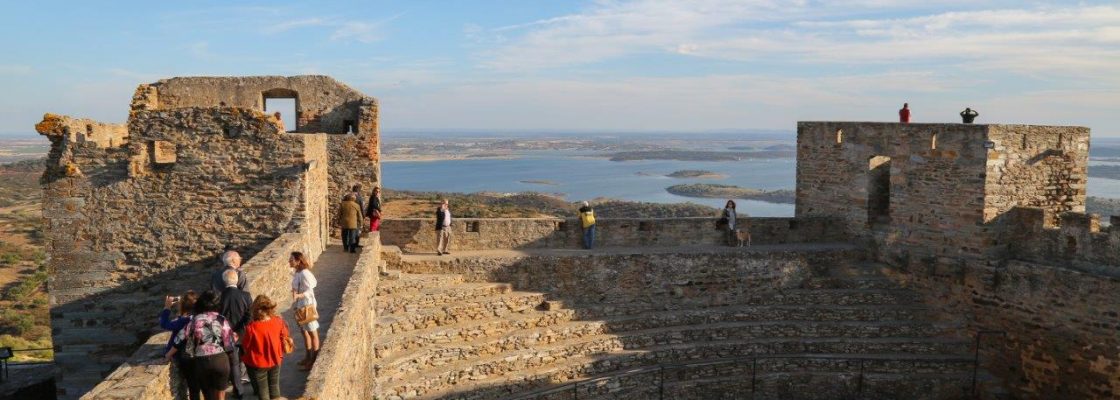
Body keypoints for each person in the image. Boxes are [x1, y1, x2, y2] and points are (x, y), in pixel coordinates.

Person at [167, 290, 235, 400]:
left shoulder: (194, 320)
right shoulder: (222, 319)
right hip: (220, 360)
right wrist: (232, 360)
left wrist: (168, 354)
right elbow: (229, 343)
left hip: (202, 362)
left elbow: (180, 338)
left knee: (208, 395)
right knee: (221, 395)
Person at [241, 295, 289, 400]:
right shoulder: (278, 321)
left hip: (259, 363)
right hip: (276, 359)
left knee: (263, 392)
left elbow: (245, 346)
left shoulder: (251, 327)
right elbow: (285, 335)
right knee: (275, 389)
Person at [218, 270, 252, 398]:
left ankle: (238, 392)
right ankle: (256, 387)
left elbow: (218, 318)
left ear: (224, 281)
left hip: (226, 335)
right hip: (243, 334)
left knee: (234, 364)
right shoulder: (246, 296)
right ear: (236, 280)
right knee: (249, 361)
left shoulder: (219, 297)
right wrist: (239, 331)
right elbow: (250, 316)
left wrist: (231, 331)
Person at [160, 291, 199, 400]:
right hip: (198, 354)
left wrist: (167, 307)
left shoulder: (183, 321)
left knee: (193, 386)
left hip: (184, 355)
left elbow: (164, 324)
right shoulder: (197, 317)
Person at [290, 251, 320, 370]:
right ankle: (308, 356)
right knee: (304, 331)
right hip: (300, 306)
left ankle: (313, 360)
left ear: (298, 261)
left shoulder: (305, 273)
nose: (289, 261)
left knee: (313, 332)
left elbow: (310, 289)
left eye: (291, 259)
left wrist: (299, 295)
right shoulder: (297, 273)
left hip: (307, 306)